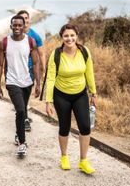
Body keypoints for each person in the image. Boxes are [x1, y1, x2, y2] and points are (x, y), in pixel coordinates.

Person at [45, 24, 97, 174]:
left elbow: (89, 73)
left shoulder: (84, 52)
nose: (69, 38)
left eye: (72, 35)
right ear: (62, 38)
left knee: (85, 127)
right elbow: (50, 79)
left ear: (76, 36)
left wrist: (93, 93)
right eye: (66, 36)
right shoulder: (56, 55)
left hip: (80, 94)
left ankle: (83, 161)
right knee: (64, 127)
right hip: (61, 95)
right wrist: (48, 101)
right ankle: (64, 157)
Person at [0, 15, 40, 156]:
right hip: (12, 82)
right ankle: (22, 143)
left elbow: (36, 63)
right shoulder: (4, 43)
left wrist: (38, 83)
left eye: (19, 25)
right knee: (20, 110)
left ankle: (18, 132)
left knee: (23, 110)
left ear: (23, 26)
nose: (17, 28)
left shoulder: (30, 41)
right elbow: (0, 65)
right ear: (11, 26)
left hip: (27, 82)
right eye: (14, 25)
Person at [16, 10, 46, 132]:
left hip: (30, 70)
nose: (25, 20)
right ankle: (25, 118)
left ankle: (24, 115)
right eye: (22, 18)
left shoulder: (35, 35)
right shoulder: (15, 35)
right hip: (17, 70)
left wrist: (43, 68)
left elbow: (42, 53)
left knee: (26, 95)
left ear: (29, 20)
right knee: (20, 95)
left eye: (26, 18)